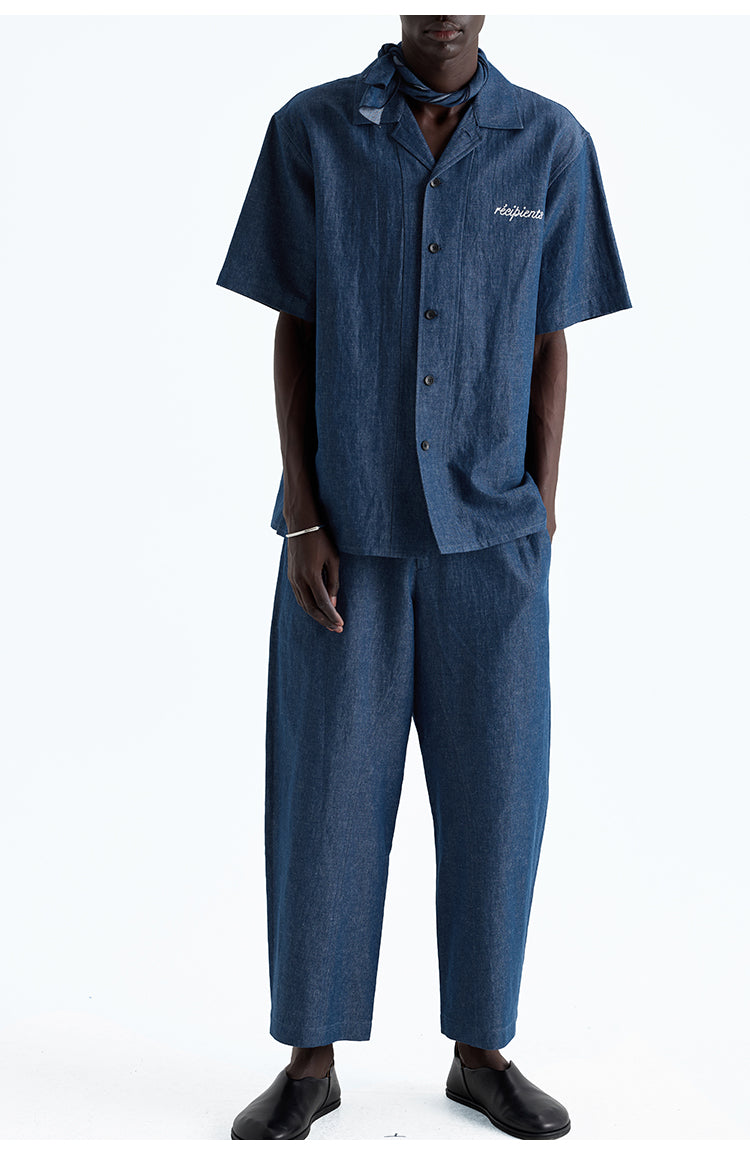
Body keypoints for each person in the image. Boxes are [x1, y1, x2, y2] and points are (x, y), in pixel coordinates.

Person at [216, 14, 631, 1142]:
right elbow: (295, 326)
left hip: (492, 541)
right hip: (345, 537)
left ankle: (481, 1052)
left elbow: (549, 337)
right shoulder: (313, 132)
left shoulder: (549, 142)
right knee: (323, 797)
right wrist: (305, 515)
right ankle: (309, 1059)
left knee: (500, 796)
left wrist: (542, 511)